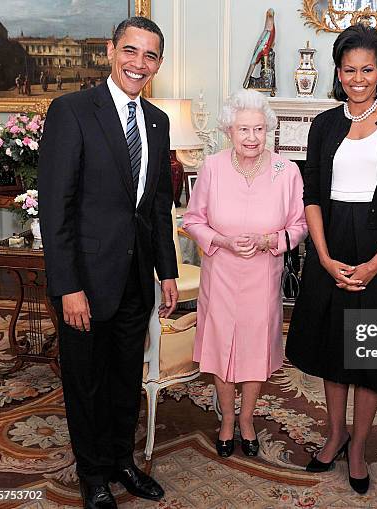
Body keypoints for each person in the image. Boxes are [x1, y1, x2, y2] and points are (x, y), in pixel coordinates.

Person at [38, 17, 178, 509]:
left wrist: (168, 272)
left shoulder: (158, 122)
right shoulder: (71, 111)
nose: (139, 64)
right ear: (110, 50)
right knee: (86, 381)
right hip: (86, 282)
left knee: (124, 380)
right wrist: (68, 285)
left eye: (151, 56)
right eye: (131, 51)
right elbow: (56, 208)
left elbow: (158, 205)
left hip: (136, 279)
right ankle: (92, 473)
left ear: (159, 63)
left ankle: (121, 460)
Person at [285, 24, 377, 495]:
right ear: (338, 72)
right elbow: (311, 197)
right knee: (333, 351)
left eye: (368, 69)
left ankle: (358, 447)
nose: (358, 78)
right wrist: (322, 257)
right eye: (349, 69)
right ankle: (334, 434)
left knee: (369, 356)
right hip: (333, 244)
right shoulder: (324, 124)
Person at [183, 89, 307, 460]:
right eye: (243, 130)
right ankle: (225, 421)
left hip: (262, 276)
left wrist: (270, 240)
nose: (251, 138)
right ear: (229, 131)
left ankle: (248, 420)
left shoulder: (288, 171)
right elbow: (192, 220)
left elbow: (299, 226)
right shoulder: (212, 167)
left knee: (254, 349)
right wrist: (221, 240)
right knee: (222, 348)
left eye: (258, 129)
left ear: (268, 129)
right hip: (220, 272)